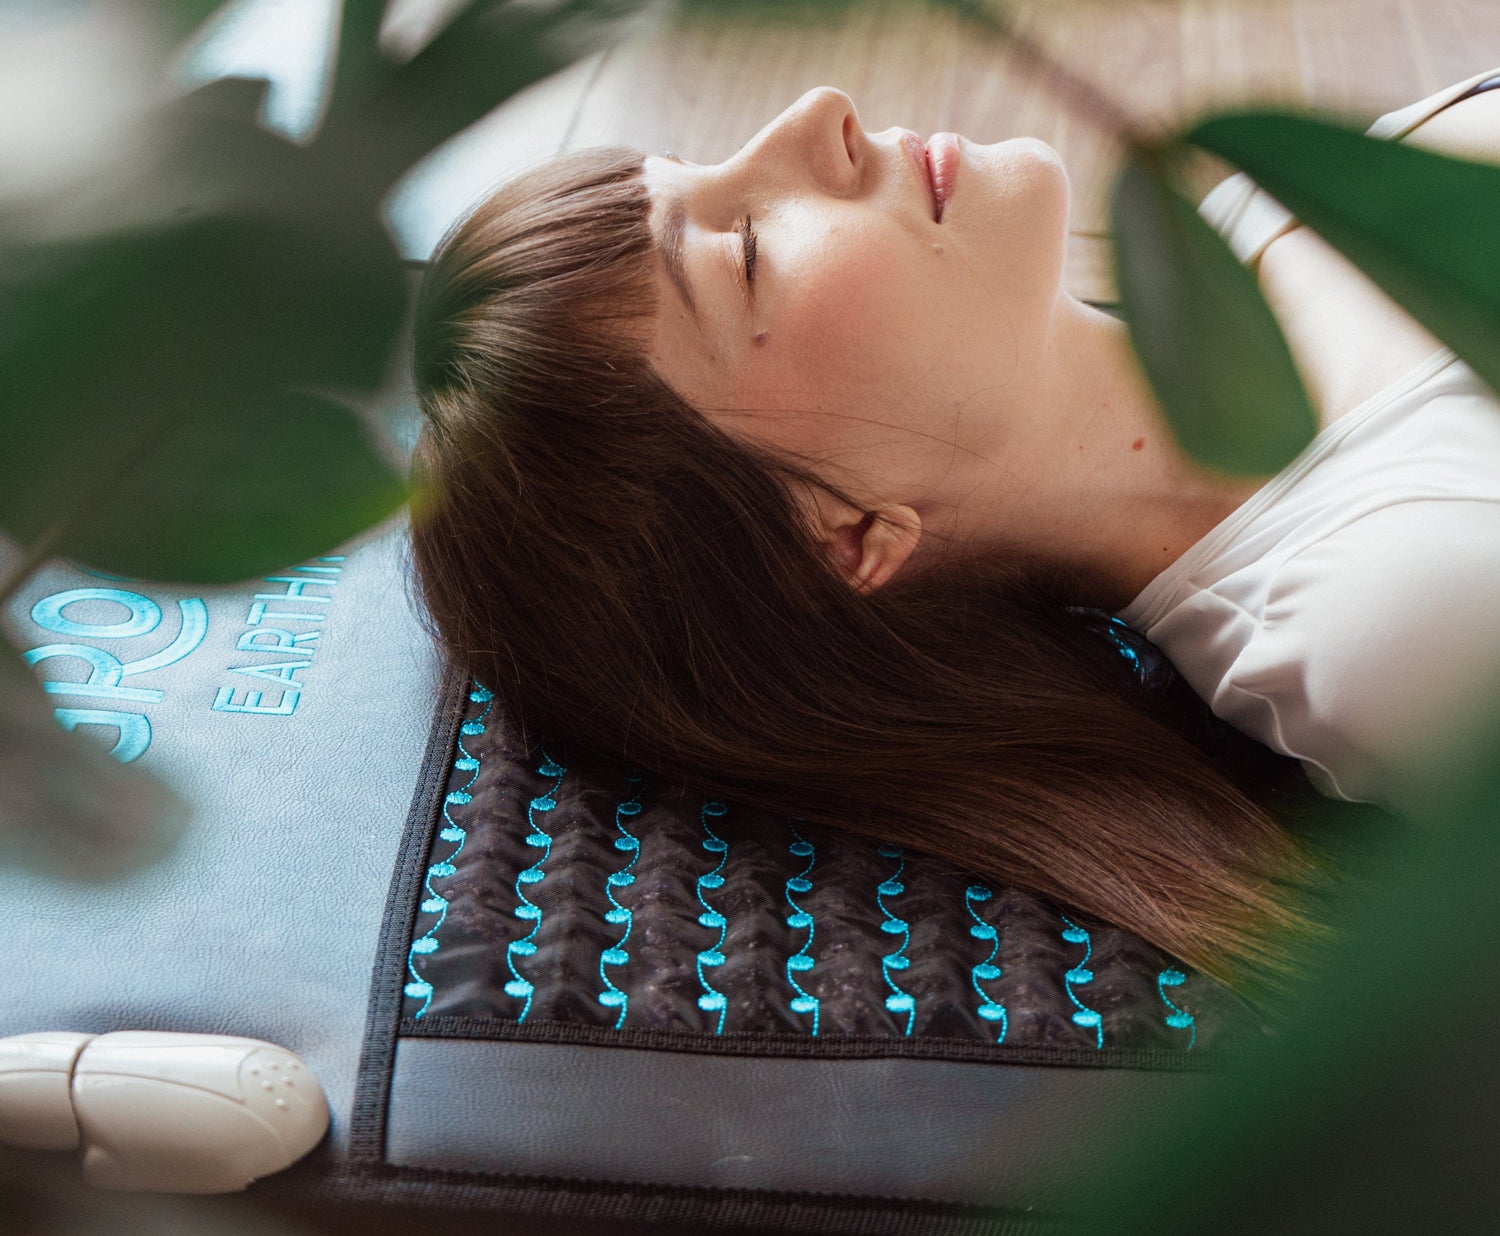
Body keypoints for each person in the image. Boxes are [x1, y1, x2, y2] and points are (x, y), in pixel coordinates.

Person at [408, 68, 1500, 995]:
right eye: (743, 247)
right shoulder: (1396, 607)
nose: (817, 112)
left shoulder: (1267, 213)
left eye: (705, 161)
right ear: (841, 537)